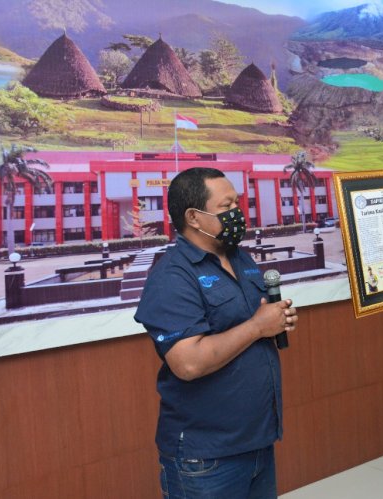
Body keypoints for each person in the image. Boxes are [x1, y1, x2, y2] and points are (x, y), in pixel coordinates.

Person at [134, 167, 298, 499]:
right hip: (206, 458)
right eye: (227, 206)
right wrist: (256, 327)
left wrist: (276, 321)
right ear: (194, 217)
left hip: (257, 441)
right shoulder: (172, 277)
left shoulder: (242, 259)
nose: (238, 213)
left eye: (237, 203)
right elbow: (188, 363)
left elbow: (252, 321)